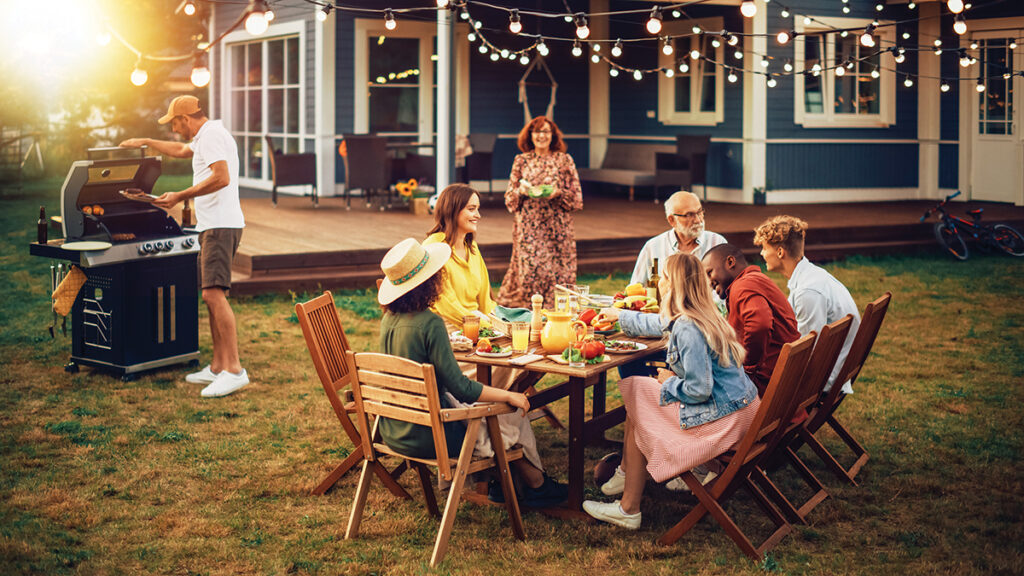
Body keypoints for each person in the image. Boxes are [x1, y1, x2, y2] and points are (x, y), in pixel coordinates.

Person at [377, 238, 567, 507]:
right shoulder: (429, 323)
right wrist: (509, 396)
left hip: (394, 429)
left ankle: (513, 485)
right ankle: (535, 485)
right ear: (430, 281)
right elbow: (461, 388)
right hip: (432, 435)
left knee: (497, 415)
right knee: (509, 414)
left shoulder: (388, 321)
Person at [582, 253, 760, 529]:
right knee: (639, 396)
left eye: (664, 277)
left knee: (640, 399)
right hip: (742, 411)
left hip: (722, 423)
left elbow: (699, 389)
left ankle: (629, 507)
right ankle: (628, 473)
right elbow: (661, 324)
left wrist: (669, 383)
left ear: (673, 284)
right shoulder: (705, 314)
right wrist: (621, 316)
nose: (660, 282)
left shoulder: (689, 328)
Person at [120, 95, 248, 398]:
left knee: (213, 295)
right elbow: (179, 150)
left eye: (175, 123)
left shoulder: (212, 136)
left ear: (186, 118)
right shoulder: (206, 135)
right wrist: (147, 140)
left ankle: (234, 370)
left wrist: (181, 195)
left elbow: (222, 177)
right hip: (213, 225)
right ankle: (218, 366)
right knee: (211, 296)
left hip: (220, 225)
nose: (175, 129)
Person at [424, 183, 520, 391]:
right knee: (509, 360)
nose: (478, 215)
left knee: (521, 352)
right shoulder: (434, 249)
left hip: (476, 326)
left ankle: (494, 412)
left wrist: (499, 324)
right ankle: (483, 413)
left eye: (477, 208)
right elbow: (445, 304)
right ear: (452, 210)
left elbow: (485, 298)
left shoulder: (471, 246)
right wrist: (486, 327)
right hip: (448, 332)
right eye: (471, 209)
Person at [754, 216, 861, 394]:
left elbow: (806, 349)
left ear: (780, 252)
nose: (762, 254)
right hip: (835, 365)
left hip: (823, 378)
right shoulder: (811, 276)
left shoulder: (808, 291)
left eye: (764, 248)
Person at [497, 116, 583, 308]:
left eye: (545, 131)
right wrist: (520, 191)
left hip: (558, 229)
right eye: (536, 131)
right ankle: (529, 316)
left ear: (553, 135)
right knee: (530, 272)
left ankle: (557, 317)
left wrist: (558, 193)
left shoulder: (564, 160)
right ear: (530, 135)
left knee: (559, 274)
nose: (541, 135)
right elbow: (509, 199)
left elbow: (577, 198)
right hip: (529, 227)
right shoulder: (521, 160)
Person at [701, 243, 799, 394]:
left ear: (730, 262)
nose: (708, 283)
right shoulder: (754, 280)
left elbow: (760, 325)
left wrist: (747, 368)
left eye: (709, 272)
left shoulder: (743, 286)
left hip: (767, 385)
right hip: (786, 378)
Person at [629, 190, 726, 286]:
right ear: (672, 220)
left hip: (709, 302)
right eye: (689, 215)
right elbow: (636, 287)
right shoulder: (653, 247)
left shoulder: (717, 243)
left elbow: (728, 287)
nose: (698, 220)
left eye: (699, 212)